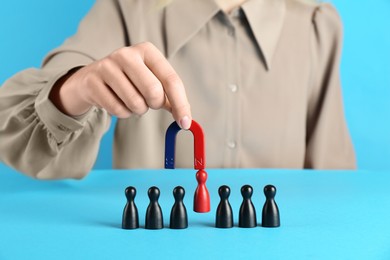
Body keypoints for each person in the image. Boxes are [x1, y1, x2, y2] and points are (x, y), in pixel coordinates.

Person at [0, 0, 356, 179]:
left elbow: (333, 175)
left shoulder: (314, 24)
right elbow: (10, 123)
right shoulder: (128, 10)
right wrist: (76, 89)